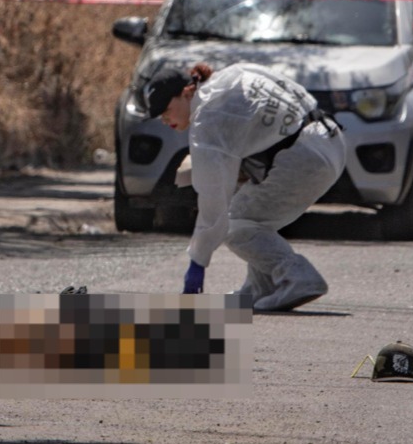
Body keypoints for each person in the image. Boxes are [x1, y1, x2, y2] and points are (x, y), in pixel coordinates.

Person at [145, 62, 346, 312]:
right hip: (329, 138)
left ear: (187, 92)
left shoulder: (207, 121)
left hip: (304, 158)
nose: (165, 119)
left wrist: (198, 262)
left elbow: (213, 202)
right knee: (250, 214)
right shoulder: (234, 73)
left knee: (235, 222)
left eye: (166, 109)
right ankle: (260, 286)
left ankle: (298, 277)